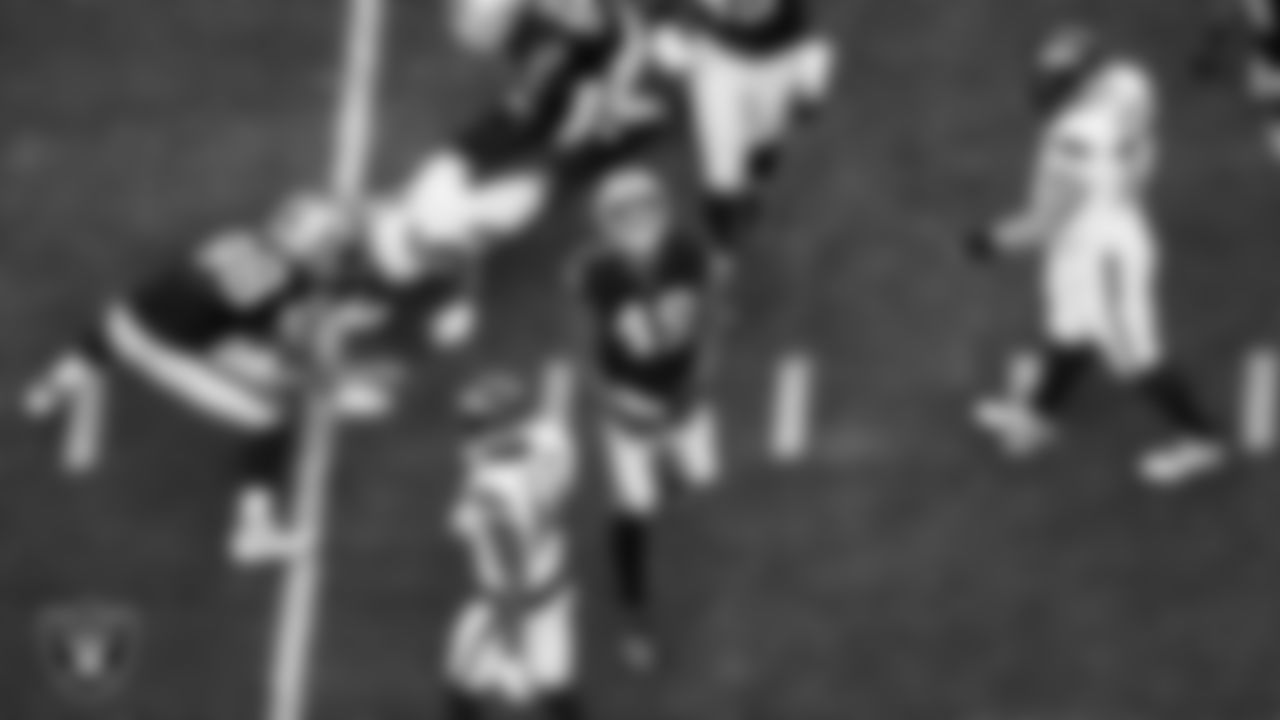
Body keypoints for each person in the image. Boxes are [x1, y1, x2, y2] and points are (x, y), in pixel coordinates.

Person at [23, 194, 391, 565]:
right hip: (165, 348)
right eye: (331, 244)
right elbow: (281, 354)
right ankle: (253, 533)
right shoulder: (280, 281)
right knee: (269, 422)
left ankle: (50, 388)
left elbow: (228, 308)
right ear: (311, 243)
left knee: (128, 320)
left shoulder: (236, 239)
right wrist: (336, 371)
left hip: (128, 319)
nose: (335, 253)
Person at [970, 25, 1226, 488]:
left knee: (1138, 359)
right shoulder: (1130, 82)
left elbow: (1044, 222)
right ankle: (1038, 417)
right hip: (1098, 228)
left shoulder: (1073, 136)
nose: (1046, 88)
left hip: (1105, 253)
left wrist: (988, 241)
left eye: (1055, 81)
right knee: (1068, 331)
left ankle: (1202, 439)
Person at [569, 166, 727, 668]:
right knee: (635, 510)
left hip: (683, 394)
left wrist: (702, 372)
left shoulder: (688, 252)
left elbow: (714, 313)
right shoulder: (595, 273)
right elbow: (581, 347)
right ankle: (634, 612)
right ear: (606, 224)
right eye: (625, 215)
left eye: (645, 210)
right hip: (630, 401)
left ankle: (666, 466)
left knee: (700, 477)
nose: (638, 224)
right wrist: (617, 407)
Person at [443, 367, 582, 720]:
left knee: (462, 692)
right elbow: (553, 423)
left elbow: (510, 571)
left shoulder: (490, 489)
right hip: (553, 592)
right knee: (559, 696)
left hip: (508, 611)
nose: (470, 436)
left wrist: (512, 652)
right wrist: (559, 387)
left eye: (476, 426)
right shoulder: (550, 441)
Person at [645, 0, 834, 250]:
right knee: (721, 147)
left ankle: (753, 173)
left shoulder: (792, 20)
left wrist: (811, 88)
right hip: (720, 64)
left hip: (777, 64)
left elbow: (812, 47)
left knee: (766, 132)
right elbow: (668, 34)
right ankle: (723, 215)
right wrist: (669, 42)